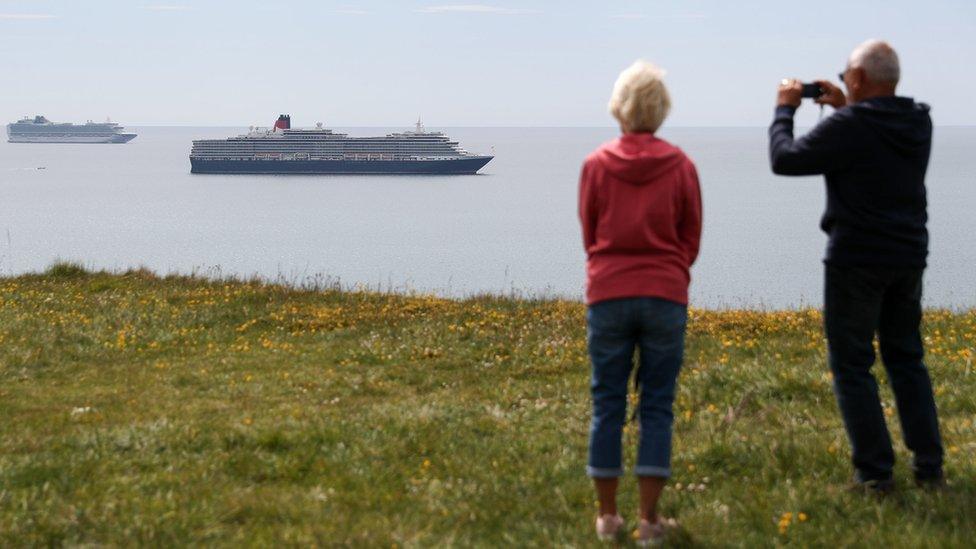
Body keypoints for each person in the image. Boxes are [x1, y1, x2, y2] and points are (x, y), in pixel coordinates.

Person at [769, 39, 944, 493]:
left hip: (856, 260)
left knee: (852, 365)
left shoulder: (851, 126)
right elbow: (873, 136)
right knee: (907, 358)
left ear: (861, 78)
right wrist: (846, 105)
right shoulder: (918, 121)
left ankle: (875, 473)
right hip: (907, 256)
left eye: (847, 75)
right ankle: (929, 467)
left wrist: (785, 110)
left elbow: (784, 159)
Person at [579, 60, 702, 544]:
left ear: (619, 107)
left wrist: (609, 268)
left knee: (606, 402)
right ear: (661, 109)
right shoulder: (681, 165)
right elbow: (691, 234)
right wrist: (671, 270)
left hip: (608, 291)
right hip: (664, 293)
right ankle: (650, 521)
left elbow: (589, 233)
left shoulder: (595, 164)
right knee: (657, 405)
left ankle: (608, 517)